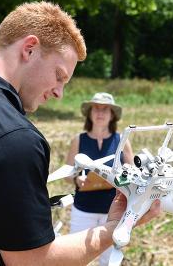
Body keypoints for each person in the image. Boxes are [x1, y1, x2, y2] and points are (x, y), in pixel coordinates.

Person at [0, 1, 160, 266]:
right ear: (29, 49)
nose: (59, 93)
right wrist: (116, 227)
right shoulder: (14, 136)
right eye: (59, 75)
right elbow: (32, 261)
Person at [65, 92, 134, 265]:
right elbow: (68, 173)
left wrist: (125, 173)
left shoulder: (122, 140)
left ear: (112, 115)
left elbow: (133, 172)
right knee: (76, 257)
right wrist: (76, 180)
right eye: (96, 108)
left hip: (114, 210)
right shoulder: (78, 140)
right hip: (83, 209)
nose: (100, 113)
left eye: (105, 109)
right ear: (89, 113)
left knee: (109, 260)